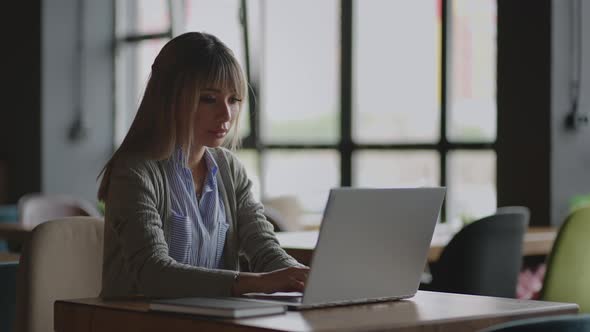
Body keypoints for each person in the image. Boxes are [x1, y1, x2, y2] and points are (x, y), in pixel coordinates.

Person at [97, 32, 308, 299]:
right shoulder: (133, 171)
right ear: (170, 98)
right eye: (209, 99)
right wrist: (258, 283)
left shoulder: (230, 169)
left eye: (234, 100)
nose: (227, 114)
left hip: (210, 322)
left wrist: (306, 278)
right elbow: (153, 274)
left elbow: (264, 249)